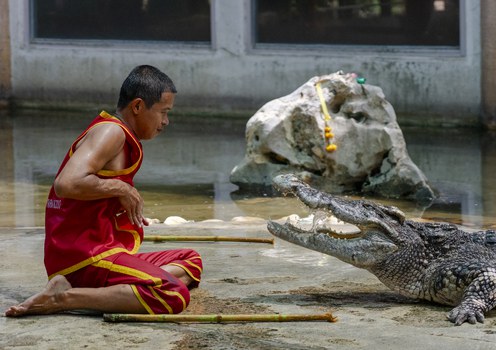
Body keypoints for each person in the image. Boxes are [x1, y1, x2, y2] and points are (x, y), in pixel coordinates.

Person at [5, 65, 202, 317]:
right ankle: (64, 297)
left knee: (191, 261)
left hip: (101, 250)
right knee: (173, 294)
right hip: (83, 257)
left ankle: (114, 289)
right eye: (163, 112)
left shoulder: (121, 133)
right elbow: (66, 184)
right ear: (138, 106)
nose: (166, 121)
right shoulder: (112, 131)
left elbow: (91, 193)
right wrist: (121, 188)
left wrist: (117, 207)